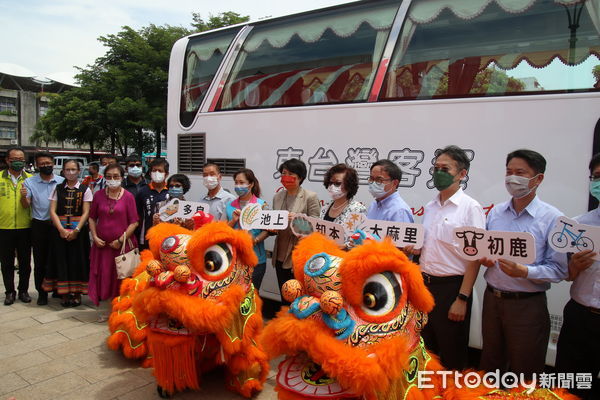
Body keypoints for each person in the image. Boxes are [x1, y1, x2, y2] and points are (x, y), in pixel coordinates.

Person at [480, 149, 565, 380]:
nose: (512, 178)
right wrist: (484, 258)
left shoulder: (552, 218)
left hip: (527, 306)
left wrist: (524, 271)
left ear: (538, 179)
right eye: (509, 172)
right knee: (490, 364)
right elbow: (486, 248)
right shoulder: (496, 212)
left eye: (520, 172)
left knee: (525, 371)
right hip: (493, 300)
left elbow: (559, 270)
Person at [416, 145, 486, 370]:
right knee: (427, 352)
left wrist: (462, 298)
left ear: (462, 174)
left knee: (452, 356)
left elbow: (474, 258)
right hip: (426, 287)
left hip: (452, 289)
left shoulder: (470, 208)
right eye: (436, 168)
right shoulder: (430, 206)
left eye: (445, 168)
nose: (439, 173)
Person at [554, 153, 600, 400]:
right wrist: (575, 268)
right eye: (596, 177)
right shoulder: (577, 226)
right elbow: (567, 275)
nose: (598, 183)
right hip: (580, 316)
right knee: (569, 383)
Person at [89, 163, 138, 321]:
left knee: (121, 277)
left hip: (121, 246)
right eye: (109, 176)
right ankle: (107, 310)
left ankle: (122, 309)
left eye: (116, 176)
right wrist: (95, 237)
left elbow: (134, 222)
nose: (112, 180)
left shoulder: (128, 196)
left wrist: (120, 239)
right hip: (102, 246)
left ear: (122, 178)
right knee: (104, 276)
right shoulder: (98, 195)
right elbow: (92, 218)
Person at [43, 160, 92, 307]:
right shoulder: (57, 188)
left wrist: (76, 230)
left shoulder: (85, 189)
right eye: (67, 170)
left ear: (79, 171)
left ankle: (77, 294)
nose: (70, 172)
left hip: (79, 233)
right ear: (63, 171)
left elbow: (86, 211)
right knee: (61, 261)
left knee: (78, 261)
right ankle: (63, 294)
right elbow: (52, 211)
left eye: (73, 169)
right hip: (59, 232)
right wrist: (61, 230)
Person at [272, 159, 321, 300]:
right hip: (279, 254)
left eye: (291, 174)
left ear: (300, 177)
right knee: (284, 295)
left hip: (297, 256)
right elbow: (275, 221)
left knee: (297, 298)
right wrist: (271, 228)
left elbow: (315, 227)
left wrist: (298, 219)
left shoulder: (310, 197)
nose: (286, 177)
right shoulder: (278, 196)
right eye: (283, 173)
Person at [22, 151, 65, 305]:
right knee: (40, 261)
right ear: (37, 165)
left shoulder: (62, 181)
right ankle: (42, 292)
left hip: (58, 225)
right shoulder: (30, 182)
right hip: (39, 225)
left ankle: (58, 290)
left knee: (58, 258)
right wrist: (23, 196)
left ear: (53, 164)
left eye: (48, 163)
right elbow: (25, 204)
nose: (46, 166)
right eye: (42, 164)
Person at [224, 168, 269, 290]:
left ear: (251, 184)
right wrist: (233, 221)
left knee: (251, 297)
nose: (238, 186)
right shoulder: (230, 206)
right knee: (234, 296)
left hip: (256, 261)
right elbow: (222, 231)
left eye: (242, 182)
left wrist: (255, 240)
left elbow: (268, 230)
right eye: (236, 182)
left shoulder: (261, 205)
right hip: (232, 260)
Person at [0, 147, 32, 305]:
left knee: (25, 262)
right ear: (7, 160)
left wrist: (25, 198)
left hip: (25, 227)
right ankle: (9, 292)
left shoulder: (30, 179)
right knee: (6, 263)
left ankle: (24, 290)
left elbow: (32, 205)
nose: (18, 162)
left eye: (21, 159)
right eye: (14, 160)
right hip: (4, 228)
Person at [320, 163, 366, 247]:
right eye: (330, 183)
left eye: (337, 183)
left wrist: (345, 246)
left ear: (349, 185)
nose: (332, 186)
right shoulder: (325, 207)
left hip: (344, 257)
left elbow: (360, 239)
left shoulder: (357, 209)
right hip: (323, 254)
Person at [136, 158, 169, 249]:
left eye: (160, 171)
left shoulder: (171, 192)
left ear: (166, 174)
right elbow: (137, 215)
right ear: (150, 173)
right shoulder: (142, 192)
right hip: (146, 238)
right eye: (154, 170)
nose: (157, 173)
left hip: (168, 239)